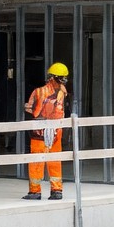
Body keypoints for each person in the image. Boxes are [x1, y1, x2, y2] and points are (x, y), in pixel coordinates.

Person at [24, 62, 71, 201]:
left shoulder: (38, 92)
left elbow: (29, 110)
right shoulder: (64, 94)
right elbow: (65, 112)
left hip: (39, 132)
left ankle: (35, 192)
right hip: (55, 132)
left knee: (37, 161)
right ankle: (56, 190)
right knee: (54, 160)